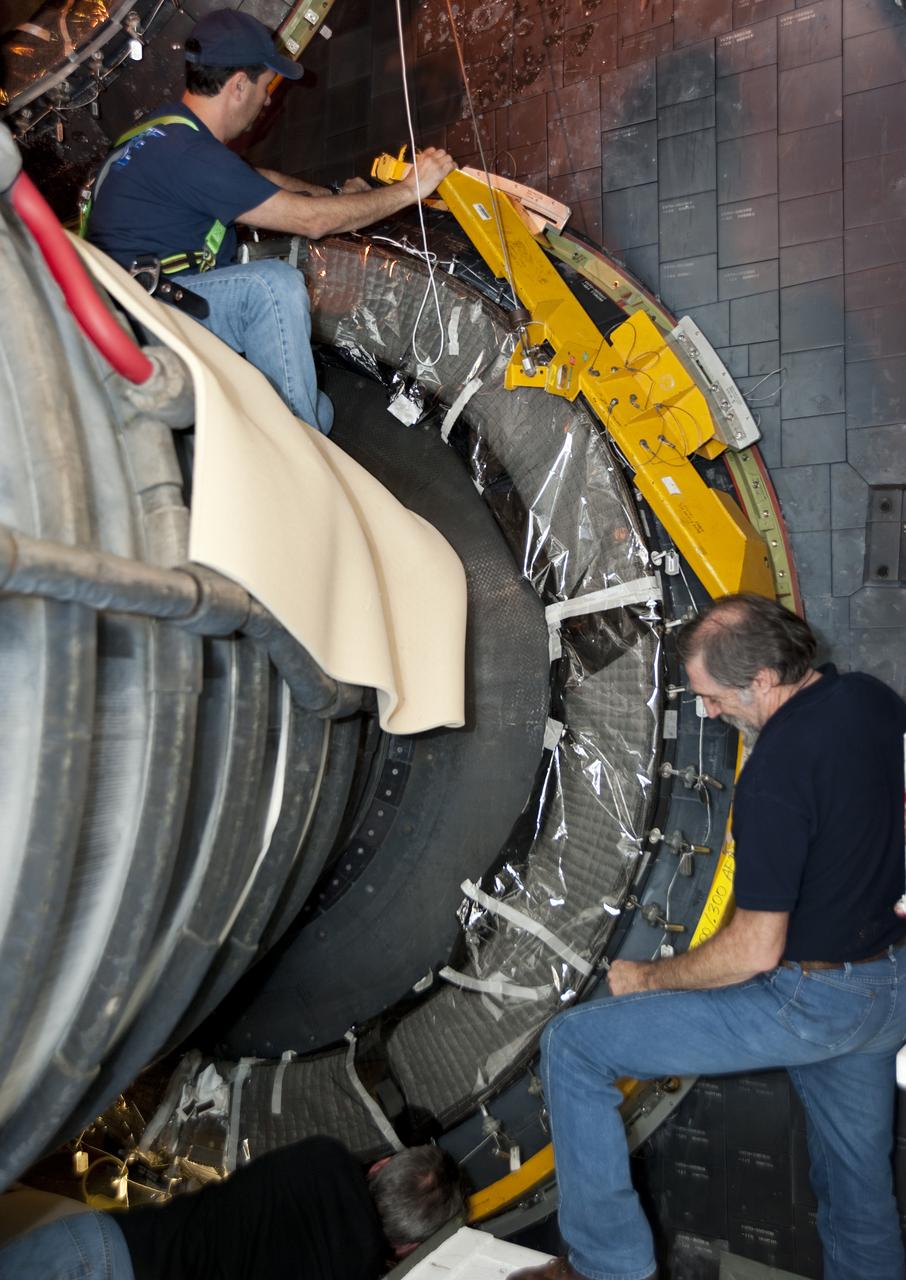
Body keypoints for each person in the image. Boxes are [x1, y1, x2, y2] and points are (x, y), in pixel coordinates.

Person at [511, 594, 906, 1280]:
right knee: (858, 1195)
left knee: (574, 1047)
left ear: (762, 681)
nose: (711, 713)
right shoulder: (873, 700)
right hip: (886, 988)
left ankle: (608, 1269)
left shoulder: (776, 774)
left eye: (715, 698)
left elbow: (755, 951)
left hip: (812, 1002)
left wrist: (646, 978)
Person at [85, 8, 454, 434]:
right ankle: (302, 454)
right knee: (270, 288)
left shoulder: (165, 131)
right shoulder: (191, 156)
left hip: (135, 309)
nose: (268, 99)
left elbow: (252, 179)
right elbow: (310, 222)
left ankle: (295, 425)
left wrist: (336, 195)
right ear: (239, 84)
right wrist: (411, 189)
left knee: (324, 408)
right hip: (150, 327)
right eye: (266, 86)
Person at [0, 1134, 466, 1279]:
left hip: (96, 1243)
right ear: (407, 1248)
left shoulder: (323, 1155)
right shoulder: (350, 1271)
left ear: (383, 1164)